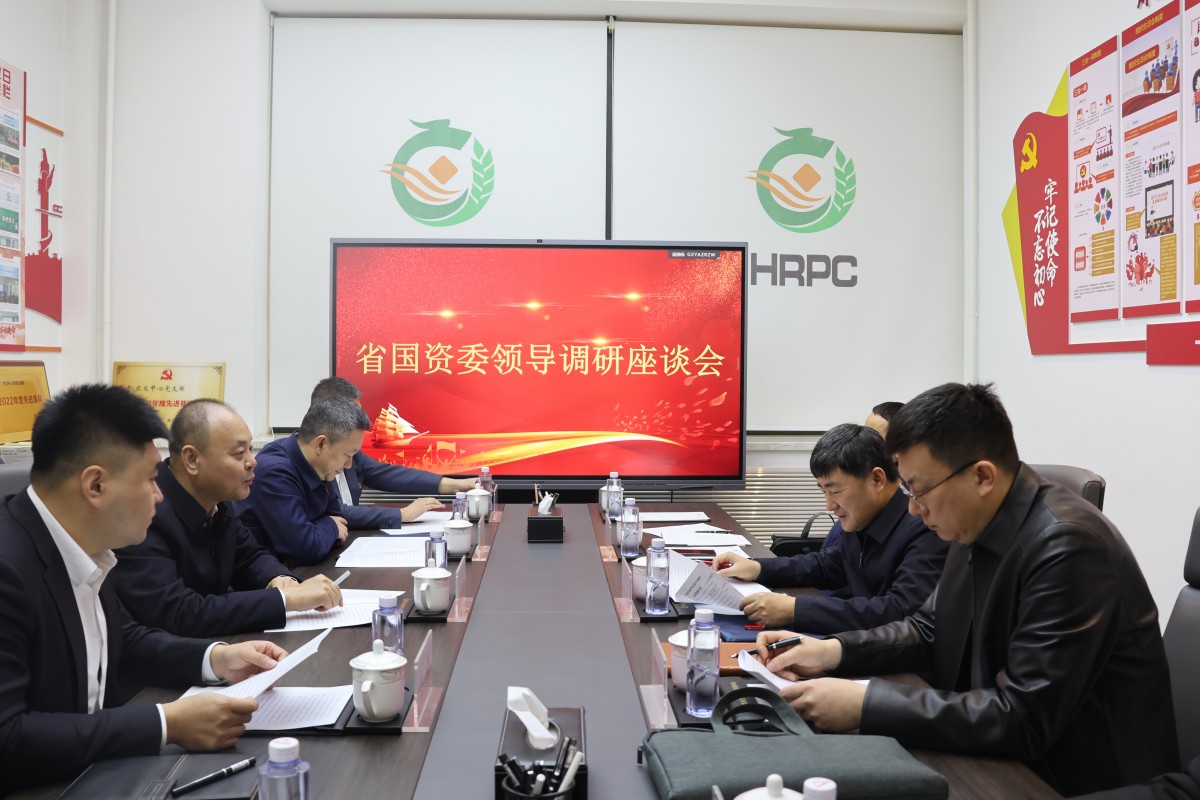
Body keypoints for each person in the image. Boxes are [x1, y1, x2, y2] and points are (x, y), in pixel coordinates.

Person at [753, 383, 1177, 796]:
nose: (913, 509)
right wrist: (831, 651)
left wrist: (865, 703)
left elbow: (1023, 717)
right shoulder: (974, 522)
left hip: (1070, 779)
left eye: (920, 490)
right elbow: (927, 628)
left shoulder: (1068, 547)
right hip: (1000, 753)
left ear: (982, 477)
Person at [0, 384, 287, 793]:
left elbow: (125, 639)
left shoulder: (86, 545)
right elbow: (8, 738)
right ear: (95, 485)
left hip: (93, 770)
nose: (159, 495)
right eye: (151, 479)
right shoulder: (8, 567)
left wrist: (217, 658)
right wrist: (166, 723)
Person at [111, 399, 343, 637]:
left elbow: (249, 557)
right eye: (239, 453)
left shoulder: (217, 499)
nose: (252, 461)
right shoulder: (145, 512)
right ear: (192, 459)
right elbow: (177, 613)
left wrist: (280, 579)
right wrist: (284, 600)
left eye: (250, 449)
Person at [715, 424, 947, 633]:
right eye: (823, 491)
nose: (829, 505)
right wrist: (758, 568)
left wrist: (796, 610)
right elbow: (827, 565)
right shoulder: (863, 516)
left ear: (877, 479)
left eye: (835, 491)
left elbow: (900, 611)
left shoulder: (924, 527)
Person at [302, 377, 476, 529]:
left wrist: (458, 484)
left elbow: (390, 475)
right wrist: (401, 514)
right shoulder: (310, 458)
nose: (361, 420)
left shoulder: (351, 455)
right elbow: (336, 512)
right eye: (354, 415)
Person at [234, 397, 369, 565]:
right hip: (270, 575)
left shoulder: (320, 465)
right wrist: (329, 526)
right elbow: (304, 548)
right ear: (321, 444)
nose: (349, 465)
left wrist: (319, 529)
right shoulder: (274, 471)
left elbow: (338, 517)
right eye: (347, 455)